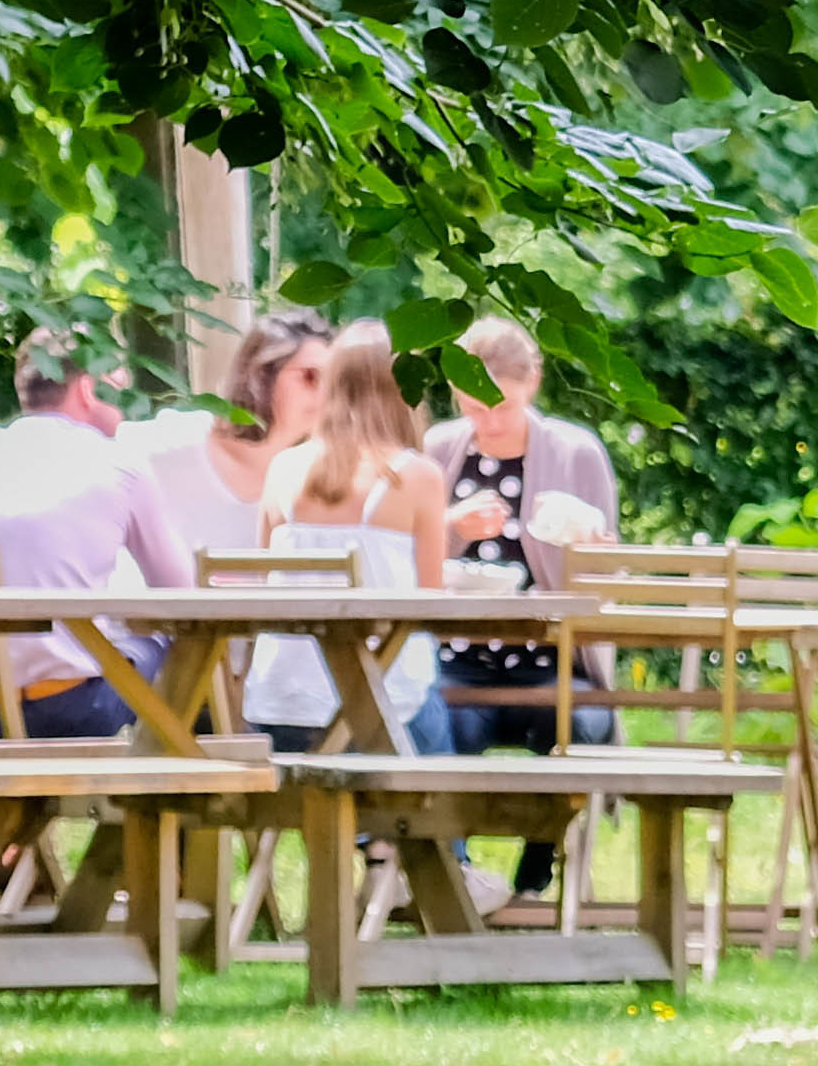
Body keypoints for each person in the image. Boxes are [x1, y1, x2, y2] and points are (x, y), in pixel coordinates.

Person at [0, 330, 201, 739]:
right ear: (87, 390)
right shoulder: (118, 464)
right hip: (69, 712)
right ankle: (177, 779)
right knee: (167, 645)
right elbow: (180, 596)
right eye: (119, 387)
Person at [426, 316, 623, 890]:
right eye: (472, 407)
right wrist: (450, 526)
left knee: (584, 724)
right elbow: (407, 556)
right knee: (424, 724)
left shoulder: (576, 453)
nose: (485, 422)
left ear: (532, 383)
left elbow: (605, 580)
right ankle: (449, 875)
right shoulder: (439, 448)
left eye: (500, 408)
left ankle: (538, 867)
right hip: (455, 656)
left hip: (551, 660)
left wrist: (591, 552)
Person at [136, 310, 339, 742]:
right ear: (261, 374)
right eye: (308, 376)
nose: (324, 393)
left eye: (333, 379)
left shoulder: (321, 474)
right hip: (167, 670)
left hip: (274, 685)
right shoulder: (173, 444)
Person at [266, 322, 445, 749]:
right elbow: (433, 603)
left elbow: (264, 578)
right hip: (389, 705)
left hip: (283, 705)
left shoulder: (283, 469)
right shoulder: (417, 476)